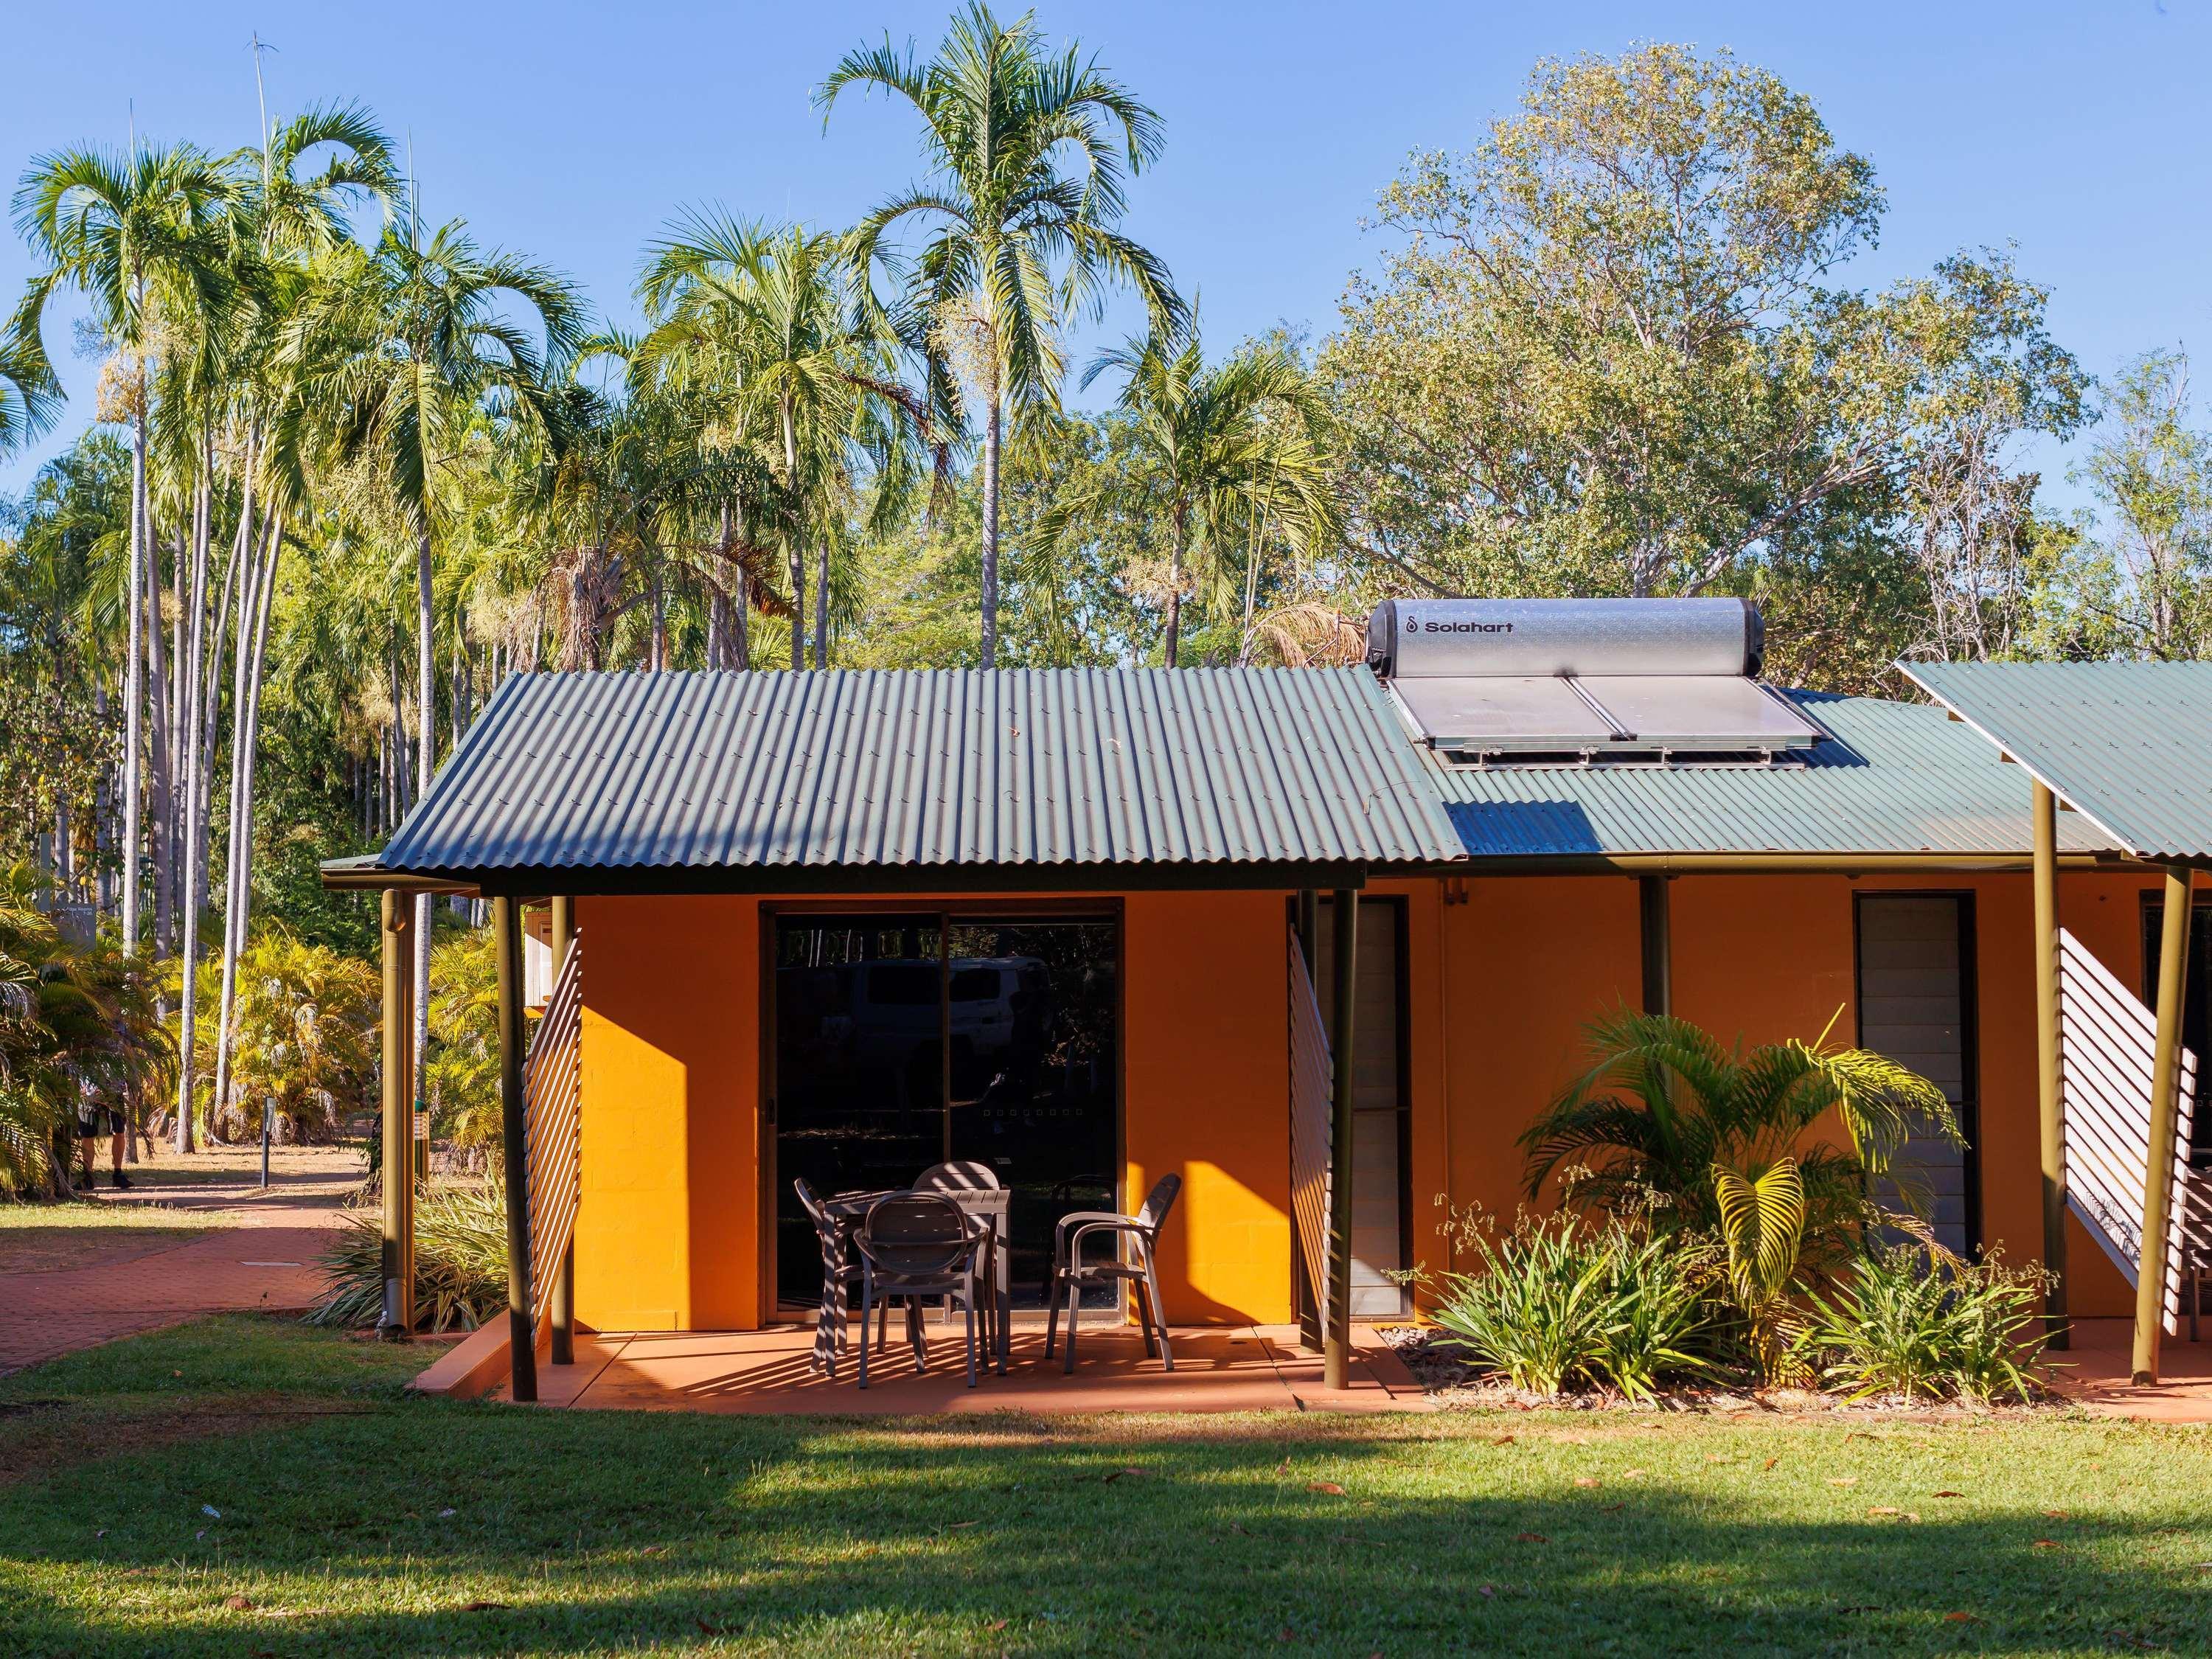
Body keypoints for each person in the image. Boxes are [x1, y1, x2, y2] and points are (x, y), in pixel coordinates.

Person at [76, 1086, 130, 1191]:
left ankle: (118, 1174)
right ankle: (88, 1177)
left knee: (119, 1132)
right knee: (87, 1135)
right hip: (88, 1092)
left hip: (115, 1091)